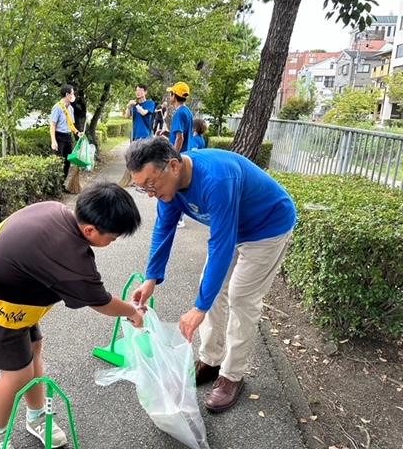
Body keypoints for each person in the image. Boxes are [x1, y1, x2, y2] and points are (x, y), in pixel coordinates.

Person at [0, 182, 145, 449]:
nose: (112, 244)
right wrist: (133, 312)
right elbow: (101, 302)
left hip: (18, 296)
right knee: (16, 375)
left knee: (35, 349)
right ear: (90, 230)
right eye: (112, 238)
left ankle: (36, 416)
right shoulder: (70, 256)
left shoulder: (57, 210)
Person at [125, 137, 297, 414]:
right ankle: (210, 360)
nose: (149, 193)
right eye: (142, 187)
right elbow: (163, 229)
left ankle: (232, 375)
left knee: (242, 297)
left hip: (268, 227)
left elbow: (221, 243)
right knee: (211, 286)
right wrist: (151, 278)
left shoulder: (217, 179)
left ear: (173, 165)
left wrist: (199, 308)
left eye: (151, 184)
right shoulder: (169, 190)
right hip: (234, 228)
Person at [50, 84, 82, 180]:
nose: (73, 95)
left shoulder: (70, 108)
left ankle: (62, 183)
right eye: (72, 93)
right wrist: (53, 141)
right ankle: (57, 185)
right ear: (67, 94)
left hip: (68, 137)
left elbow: (71, 125)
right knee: (59, 161)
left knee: (67, 162)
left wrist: (77, 133)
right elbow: (52, 125)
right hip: (59, 137)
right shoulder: (57, 107)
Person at [166, 82, 193, 153]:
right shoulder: (187, 111)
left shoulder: (179, 113)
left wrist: (174, 156)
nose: (169, 97)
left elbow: (180, 138)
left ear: (174, 96)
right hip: (187, 153)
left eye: (170, 94)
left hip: (180, 156)